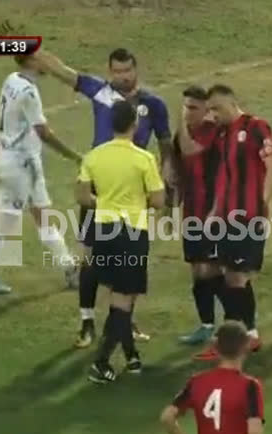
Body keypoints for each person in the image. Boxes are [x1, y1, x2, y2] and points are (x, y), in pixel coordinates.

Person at [35, 47, 175, 346]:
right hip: (98, 186)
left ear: (136, 70)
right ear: (109, 71)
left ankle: (124, 322)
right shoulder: (101, 91)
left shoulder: (153, 104)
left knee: (128, 260)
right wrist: (25, 46)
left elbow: (166, 144)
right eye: (117, 71)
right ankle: (86, 323)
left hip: (132, 193)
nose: (122, 77)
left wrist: (165, 181)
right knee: (89, 257)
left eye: (127, 71)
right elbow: (61, 70)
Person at [0, 53, 82, 295]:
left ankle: (69, 267)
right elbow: (44, 133)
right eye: (41, 58)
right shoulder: (29, 92)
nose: (47, 63)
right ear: (31, 61)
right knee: (26, 221)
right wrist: (75, 157)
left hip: (11, 160)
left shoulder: (11, 80)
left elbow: (0, 116)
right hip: (22, 166)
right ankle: (70, 269)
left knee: (27, 220)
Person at [76, 100, 166, 383]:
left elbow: (82, 197)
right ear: (134, 124)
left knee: (120, 296)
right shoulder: (144, 158)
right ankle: (100, 363)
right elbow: (158, 200)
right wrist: (136, 203)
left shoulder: (93, 156)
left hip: (103, 230)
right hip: (131, 233)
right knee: (124, 301)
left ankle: (131, 356)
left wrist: (105, 203)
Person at [194, 84, 272, 361]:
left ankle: (228, 341)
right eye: (210, 110)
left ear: (232, 104)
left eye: (217, 108)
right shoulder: (223, 135)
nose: (213, 115)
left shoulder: (256, 127)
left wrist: (266, 202)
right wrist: (214, 211)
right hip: (227, 217)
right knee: (231, 276)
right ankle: (249, 334)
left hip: (248, 216)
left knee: (236, 277)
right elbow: (224, 177)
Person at [161, 321, 265, 434]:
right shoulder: (250, 386)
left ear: (216, 348)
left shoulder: (196, 382)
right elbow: (254, 433)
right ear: (245, 347)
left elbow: (167, 417)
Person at [175, 85, 225, 346]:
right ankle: (206, 325)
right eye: (185, 107)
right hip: (191, 213)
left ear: (206, 109)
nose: (188, 112)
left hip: (213, 212)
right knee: (197, 268)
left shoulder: (211, 130)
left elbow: (189, 150)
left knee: (213, 268)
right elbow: (177, 168)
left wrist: (179, 124)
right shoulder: (183, 133)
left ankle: (239, 320)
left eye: (193, 108)